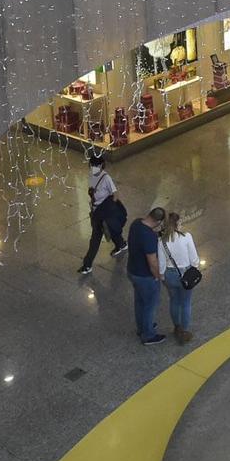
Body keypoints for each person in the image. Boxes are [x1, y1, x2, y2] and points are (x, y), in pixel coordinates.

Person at [76, 147, 127, 276]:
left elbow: (115, 195)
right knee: (109, 232)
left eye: (96, 165)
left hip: (102, 213)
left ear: (102, 166)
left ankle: (87, 265)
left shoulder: (106, 178)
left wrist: (107, 210)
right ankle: (121, 244)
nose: (94, 168)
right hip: (95, 211)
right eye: (92, 165)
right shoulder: (91, 175)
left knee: (95, 238)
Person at [126, 206, 168, 345]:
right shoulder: (149, 237)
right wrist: (158, 276)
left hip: (132, 271)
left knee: (139, 301)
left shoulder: (136, 223)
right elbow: (152, 262)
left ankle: (142, 328)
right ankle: (148, 335)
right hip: (145, 276)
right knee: (150, 304)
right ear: (159, 222)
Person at [159, 211, 202, 345]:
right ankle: (184, 331)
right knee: (186, 303)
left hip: (169, 275)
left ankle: (176, 326)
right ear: (177, 224)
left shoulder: (161, 241)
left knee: (174, 301)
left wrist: (162, 276)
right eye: (180, 222)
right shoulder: (186, 237)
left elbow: (161, 263)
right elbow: (194, 260)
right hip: (185, 275)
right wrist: (194, 266)